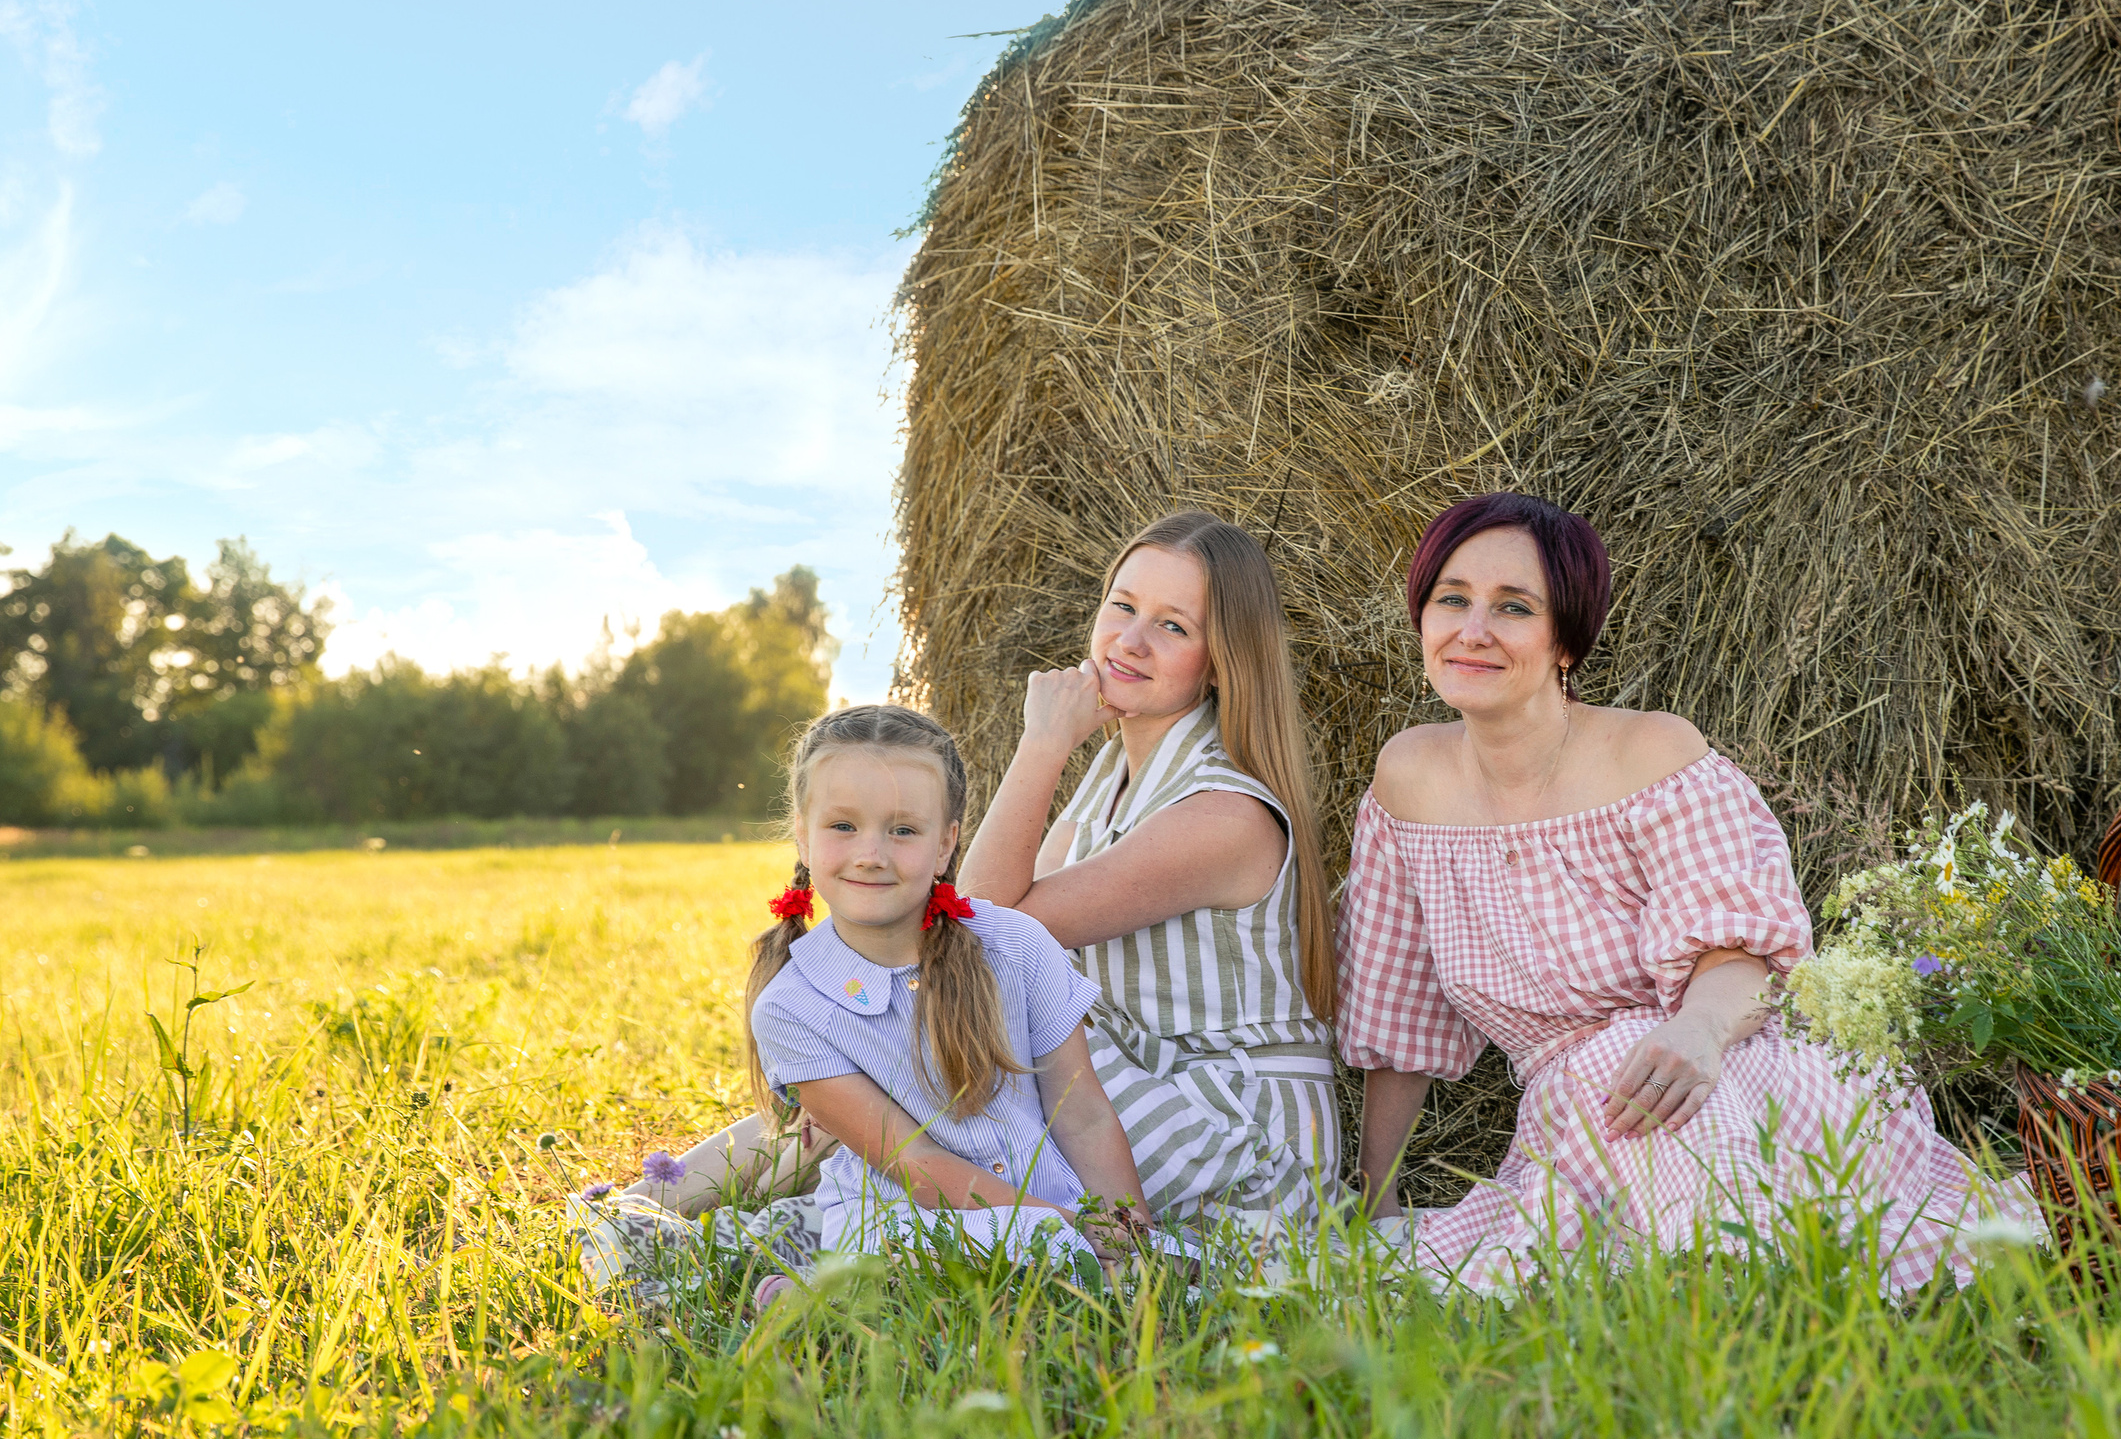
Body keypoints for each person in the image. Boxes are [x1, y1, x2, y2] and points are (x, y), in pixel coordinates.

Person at [1338, 492, 2035, 1294]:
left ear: (1566, 640)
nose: (1473, 630)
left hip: (1733, 1063)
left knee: (1652, 1105)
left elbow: (1741, 944)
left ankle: (1742, 1281)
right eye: (1451, 599)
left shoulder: (1652, 753)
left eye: (1514, 607)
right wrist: (1377, 1197)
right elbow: (1399, 1009)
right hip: (1583, 1112)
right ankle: (1730, 1285)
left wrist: (1698, 1033)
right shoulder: (1408, 778)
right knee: (1434, 1263)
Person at [577, 706, 1151, 1293]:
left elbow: (1083, 1115)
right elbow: (916, 1165)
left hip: (1051, 1207)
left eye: (903, 830)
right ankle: (831, 1296)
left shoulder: (1017, 944)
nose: (871, 853)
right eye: (843, 827)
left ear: (947, 843)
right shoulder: (792, 1008)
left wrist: (1127, 1236)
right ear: (802, 833)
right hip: (907, 1225)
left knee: (1181, 1269)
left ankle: (1062, 1268)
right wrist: (1064, 1228)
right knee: (1036, 1257)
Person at [959, 510, 1342, 1224]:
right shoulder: (1111, 776)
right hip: (1147, 1094)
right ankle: (694, 1186)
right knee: (927, 1023)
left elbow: (982, 922)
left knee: (989, 1031)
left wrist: (1040, 744)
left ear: (1222, 658)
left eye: (1173, 626)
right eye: (1123, 606)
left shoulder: (1225, 813)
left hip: (1245, 1143)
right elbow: (972, 936)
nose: (1129, 642)